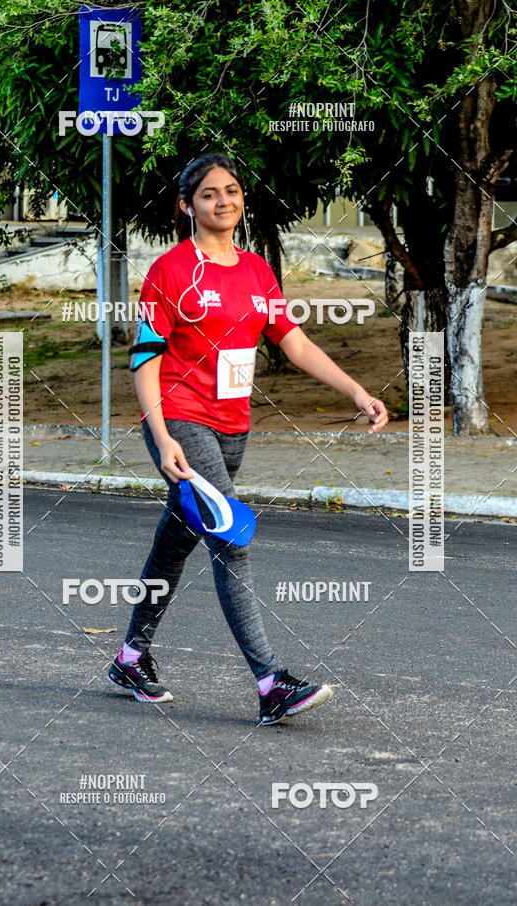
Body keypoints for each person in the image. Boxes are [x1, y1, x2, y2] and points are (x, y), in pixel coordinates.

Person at [107, 152, 388, 726]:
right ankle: (270, 683)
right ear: (187, 206)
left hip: (234, 427)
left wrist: (357, 391)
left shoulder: (258, 270)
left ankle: (131, 658)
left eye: (231, 191)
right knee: (231, 538)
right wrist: (161, 437)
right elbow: (144, 359)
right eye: (209, 193)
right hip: (181, 421)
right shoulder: (171, 272)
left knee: (175, 541)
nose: (223, 201)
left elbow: (294, 342)